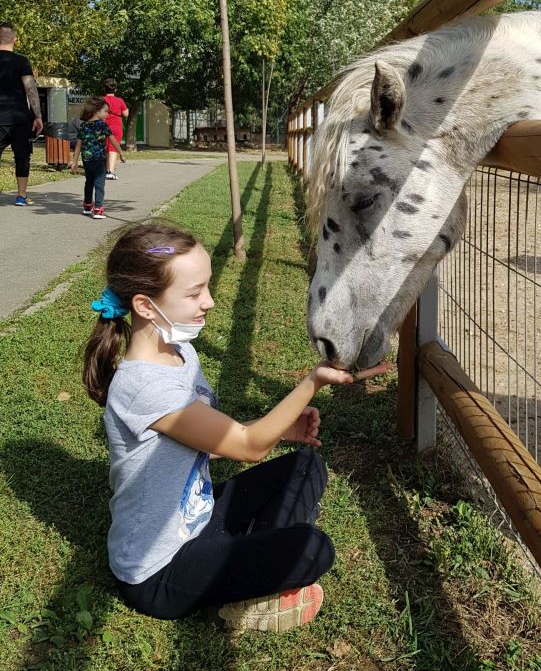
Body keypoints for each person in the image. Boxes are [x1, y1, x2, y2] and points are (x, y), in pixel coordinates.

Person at [81, 222, 391, 630]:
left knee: (305, 467)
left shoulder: (180, 353)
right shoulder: (143, 387)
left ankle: (250, 566)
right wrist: (312, 382)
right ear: (144, 306)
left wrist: (282, 430)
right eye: (194, 293)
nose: (208, 301)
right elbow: (247, 446)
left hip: (198, 518)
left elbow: (199, 440)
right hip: (158, 571)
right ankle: (250, 580)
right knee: (313, 549)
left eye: (207, 287)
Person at [0, 22, 43, 206]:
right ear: (15, 40)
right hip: (19, 117)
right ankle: (21, 195)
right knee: (22, 156)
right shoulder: (21, 61)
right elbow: (30, 88)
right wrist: (38, 115)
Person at [70, 96, 126, 220]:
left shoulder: (84, 126)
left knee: (89, 182)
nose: (107, 114)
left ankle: (87, 206)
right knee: (99, 184)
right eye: (105, 111)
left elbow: (78, 145)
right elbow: (113, 140)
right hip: (100, 160)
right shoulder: (103, 125)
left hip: (87, 160)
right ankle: (98, 209)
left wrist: (74, 162)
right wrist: (121, 153)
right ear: (97, 112)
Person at [102, 77, 128, 180]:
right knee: (113, 148)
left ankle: (105, 170)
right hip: (116, 126)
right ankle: (111, 172)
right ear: (115, 89)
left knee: (106, 147)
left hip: (103, 126)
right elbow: (125, 114)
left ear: (105, 89)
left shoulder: (102, 100)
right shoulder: (120, 100)